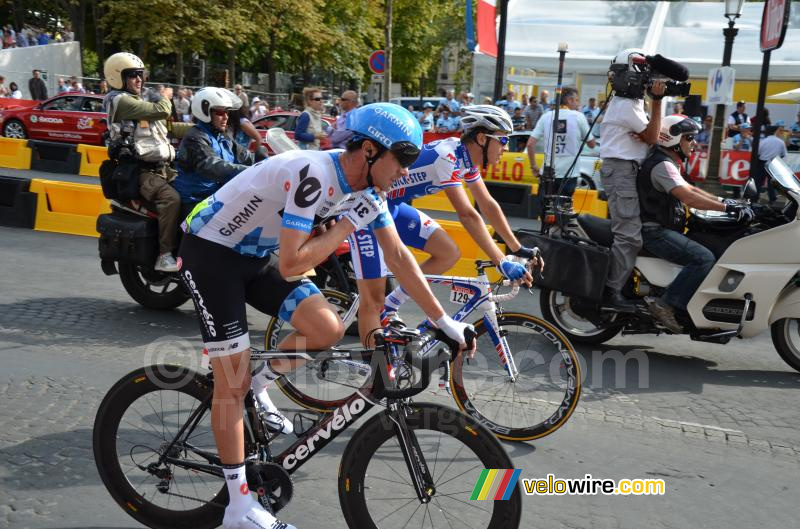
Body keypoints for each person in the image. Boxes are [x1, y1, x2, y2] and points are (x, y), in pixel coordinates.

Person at [178, 102, 474, 529]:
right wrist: (344, 227)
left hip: (255, 254)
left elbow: (399, 256)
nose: (405, 171)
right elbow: (292, 264)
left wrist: (445, 322)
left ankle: (257, 388)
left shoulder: (369, 191)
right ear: (371, 150)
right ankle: (237, 510)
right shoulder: (313, 175)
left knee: (326, 327)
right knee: (231, 379)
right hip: (211, 253)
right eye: (403, 158)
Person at [348, 104, 540, 351]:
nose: (506, 148)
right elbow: (468, 215)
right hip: (367, 208)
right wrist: (501, 260)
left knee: (448, 252)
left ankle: (391, 304)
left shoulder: (466, 159)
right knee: (372, 303)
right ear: (482, 138)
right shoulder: (447, 157)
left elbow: (488, 205)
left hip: (391, 206)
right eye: (503, 140)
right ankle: (375, 374)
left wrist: (517, 247)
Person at [638, 115, 752, 332]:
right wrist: (728, 209)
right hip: (655, 233)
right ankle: (665, 305)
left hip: (665, 228)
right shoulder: (661, 165)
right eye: (689, 138)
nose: (694, 143)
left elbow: (691, 189)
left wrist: (725, 201)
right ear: (672, 138)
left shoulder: (667, 162)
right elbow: (688, 197)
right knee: (703, 258)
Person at [600, 49, 665, 312]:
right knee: (629, 237)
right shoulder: (626, 105)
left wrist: (650, 127)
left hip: (627, 171)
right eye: (643, 74)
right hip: (621, 171)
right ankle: (611, 292)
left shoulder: (633, 104)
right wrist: (658, 101)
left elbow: (651, 134)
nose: (647, 81)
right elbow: (652, 136)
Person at [103, 52, 181, 273]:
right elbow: (163, 110)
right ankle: (164, 255)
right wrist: (163, 95)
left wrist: (200, 129)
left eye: (140, 75)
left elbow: (168, 128)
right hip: (141, 173)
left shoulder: (138, 102)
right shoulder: (119, 101)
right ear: (118, 78)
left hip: (163, 169)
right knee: (171, 199)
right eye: (133, 75)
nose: (139, 79)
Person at [173, 87, 264, 216]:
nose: (226, 117)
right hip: (196, 199)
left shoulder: (222, 136)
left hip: (216, 196)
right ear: (205, 112)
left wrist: (271, 162)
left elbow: (244, 155)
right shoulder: (195, 137)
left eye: (227, 112)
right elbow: (212, 165)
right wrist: (249, 171)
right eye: (220, 112)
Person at [527, 86, 595, 196]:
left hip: (548, 173)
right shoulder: (579, 117)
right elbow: (592, 144)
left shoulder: (546, 116)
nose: (578, 104)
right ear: (569, 100)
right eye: (576, 100)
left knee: (545, 209)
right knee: (563, 210)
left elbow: (530, 144)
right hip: (569, 175)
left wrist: (533, 166)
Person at [757, 124, 787, 204]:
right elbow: (783, 154)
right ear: (774, 131)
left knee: (759, 181)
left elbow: (758, 153)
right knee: (771, 182)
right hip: (774, 163)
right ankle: (772, 198)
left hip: (763, 162)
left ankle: (756, 197)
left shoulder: (763, 141)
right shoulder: (780, 142)